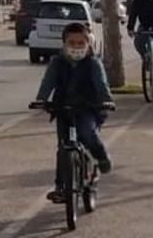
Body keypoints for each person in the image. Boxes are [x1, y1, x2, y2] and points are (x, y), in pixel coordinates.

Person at [32, 22, 114, 202]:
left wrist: (106, 101)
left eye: (80, 43)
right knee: (63, 147)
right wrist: (41, 100)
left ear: (88, 43)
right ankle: (61, 187)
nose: (76, 47)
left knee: (87, 133)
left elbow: (101, 84)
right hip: (63, 109)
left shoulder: (93, 63)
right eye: (72, 43)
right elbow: (48, 83)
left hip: (88, 108)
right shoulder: (57, 62)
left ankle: (101, 156)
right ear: (64, 44)